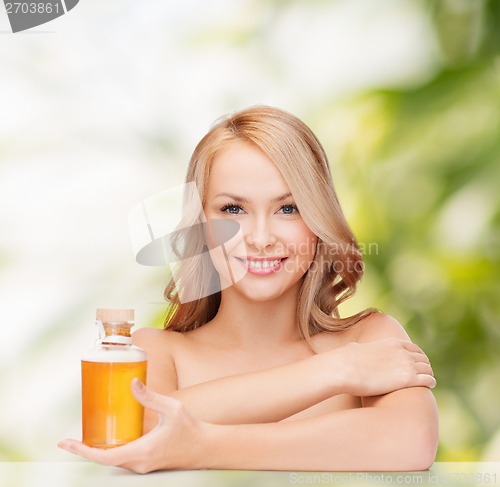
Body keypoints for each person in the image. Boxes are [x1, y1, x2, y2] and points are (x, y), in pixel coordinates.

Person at [58, 106, 438, 473]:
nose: (260, 238)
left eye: (288, 209)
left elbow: (411, 440)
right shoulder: (159, 352)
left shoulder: (371, 337)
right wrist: (336, 371)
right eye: (233, 210)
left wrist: (201, 445)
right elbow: (140, 432)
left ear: (319, 219)